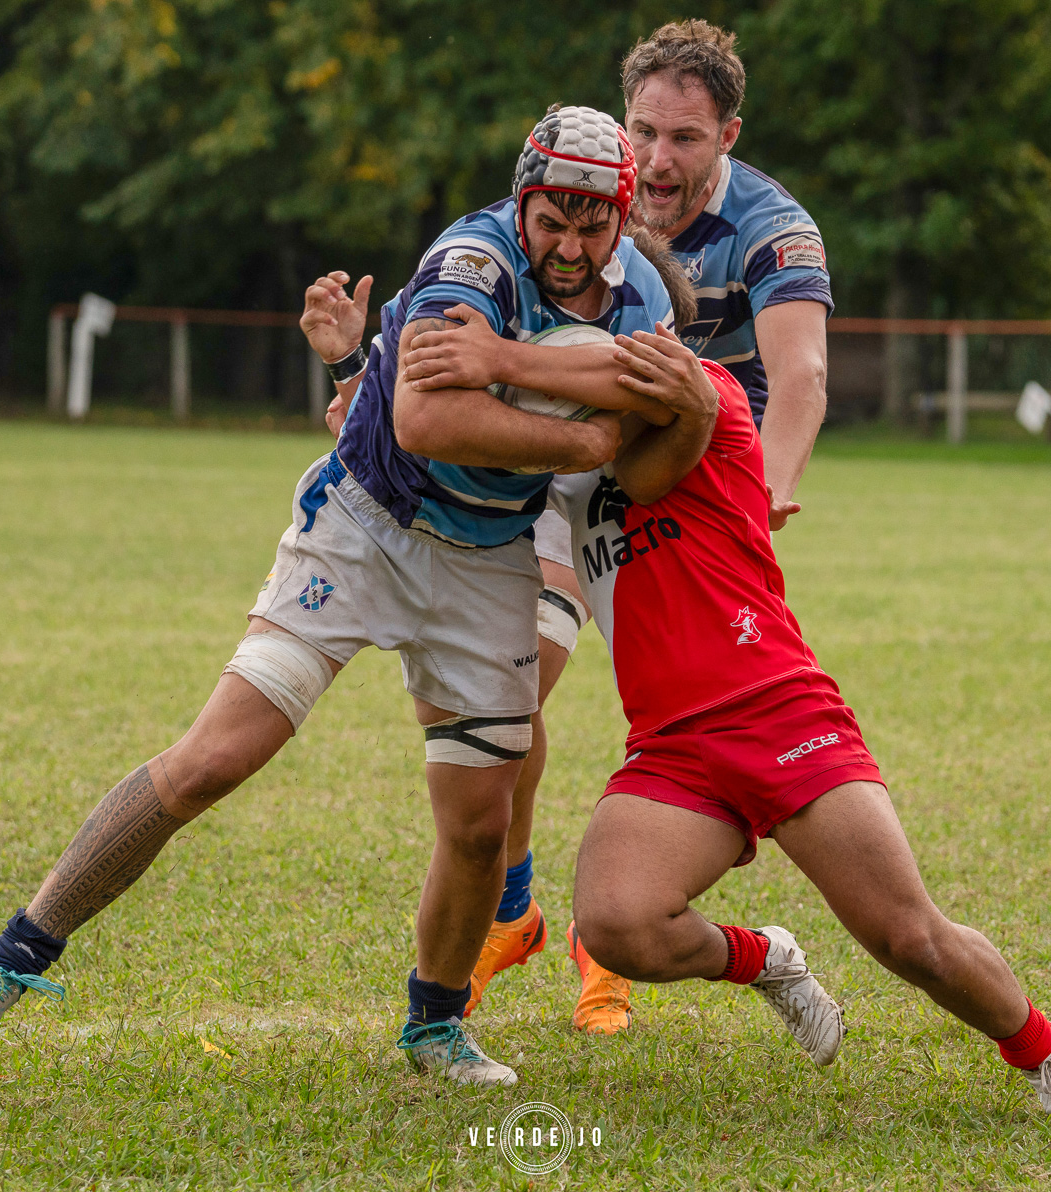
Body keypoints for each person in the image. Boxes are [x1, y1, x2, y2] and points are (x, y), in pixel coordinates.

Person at [0, 105, 677, 1087]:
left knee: (480, 826)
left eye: (593, 225)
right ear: (521, 204)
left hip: (490, 556)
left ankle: (434, 1026)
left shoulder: (643, 296)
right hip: (366, 523)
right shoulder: (472, 261)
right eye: (552, 221)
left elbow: (656, 417)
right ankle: (10, 959)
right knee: (216, 757)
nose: (571, 248)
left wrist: (584, 409)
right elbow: (423, 421)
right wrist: (585, 436)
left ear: (623, 217)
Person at [430, 311, 1051, 1125]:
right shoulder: (565, 465)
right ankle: (767, 959)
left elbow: (641, 427)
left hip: (779, 711)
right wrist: (355, 372)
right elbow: (436, 438)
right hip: (670, 743)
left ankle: (1048, 1052)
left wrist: (502, 356)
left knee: (910, 940)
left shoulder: (706, 393)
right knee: (616, 926)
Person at [298, 19, 838, 1035]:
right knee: (497, 688)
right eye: (646, 133)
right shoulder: (585, 209)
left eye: (685, 138)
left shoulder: (773, 228)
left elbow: (801, 374)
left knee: (636, 703)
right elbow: (440, 356)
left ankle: (604, 922)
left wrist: (765, 494)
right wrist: (354, 370)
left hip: (683, 486)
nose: (660, 159)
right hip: (565, 472)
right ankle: (517, 906)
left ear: (729, 135)